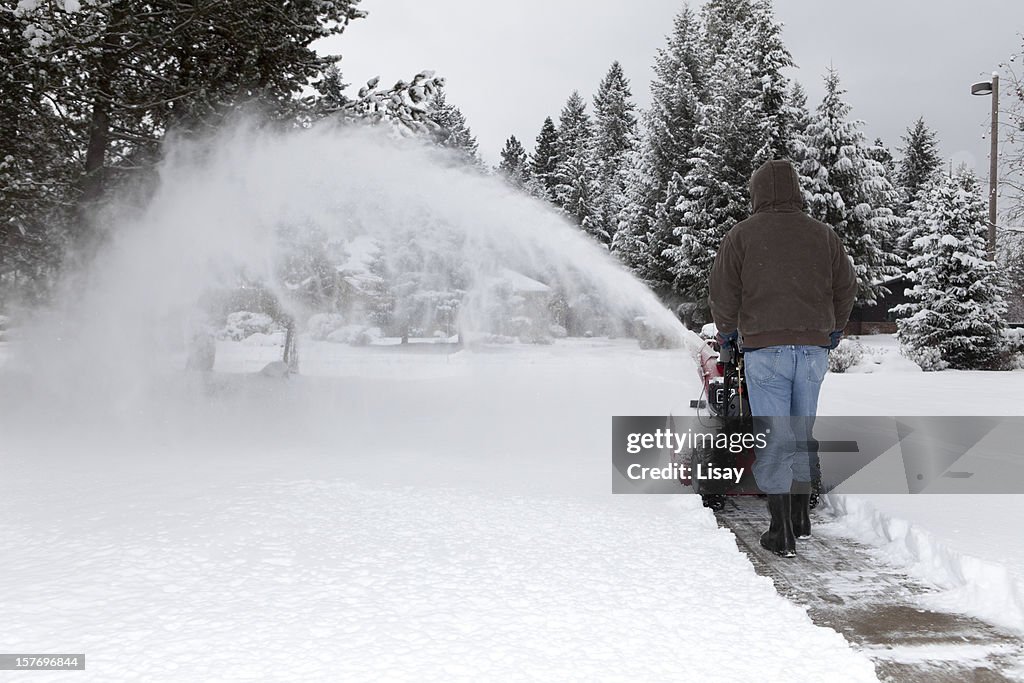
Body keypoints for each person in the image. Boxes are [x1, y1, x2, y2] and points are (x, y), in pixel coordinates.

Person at [708, 159, 858, 558]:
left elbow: (723, 294)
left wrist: (727, 333)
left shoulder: (741, 235)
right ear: (796, 190)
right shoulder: (823, 235)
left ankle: (780, 531)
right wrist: (834, 330)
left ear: (757, 193)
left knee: (774, 438)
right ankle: (801, 517)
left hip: (765, 350)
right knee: (801, 432)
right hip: (812, 351)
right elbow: (846, 288)